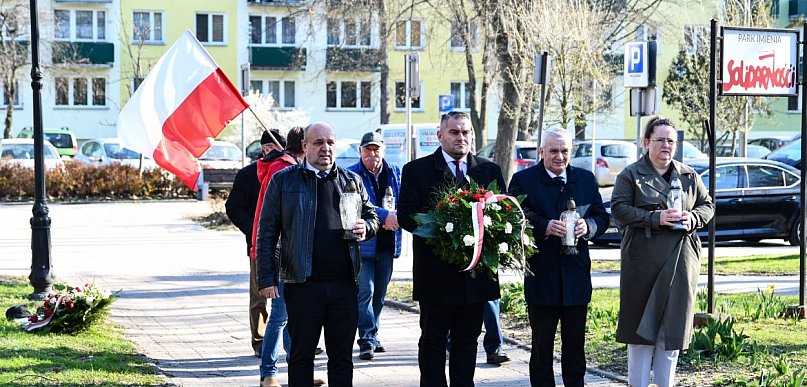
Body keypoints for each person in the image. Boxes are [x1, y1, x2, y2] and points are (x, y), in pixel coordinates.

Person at [256, 122, 379, 387]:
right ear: (305, 146)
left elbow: (371, 216)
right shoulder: (283, 180)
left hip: (344, 285)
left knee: (342, 358)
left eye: (330, 143)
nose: (325, 148)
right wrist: (266, 278)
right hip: (302, 284)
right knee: (301, 357)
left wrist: (366, 227)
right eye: (318, 142)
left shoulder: (351, 181)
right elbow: (266, 233)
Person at [398, 110, 506, 386]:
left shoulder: (488, 170)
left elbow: (503, 214)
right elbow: (406, 215)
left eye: (466, 132)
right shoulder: (417, 171)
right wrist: (445, 229)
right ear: (440, 135)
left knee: (467, 342)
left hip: (475, 277)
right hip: (436, 275)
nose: (461, 137)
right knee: (433, 342)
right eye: (454, 132)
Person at [611, 116, 714, 387]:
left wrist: (693, 218)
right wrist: (654, 218)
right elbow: (619, 209)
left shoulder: (689, 175)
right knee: (641, 332)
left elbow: (708, 205)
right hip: (643, 262)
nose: (665, 146)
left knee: (671, 330)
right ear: (647, 143)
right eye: (659, 140)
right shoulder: (630, 175)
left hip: (680, 260)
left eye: (671, 141)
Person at [508, 127, 609, 387]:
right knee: (542, 347)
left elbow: (601, 216)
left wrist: (589, 227)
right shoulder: (523, 180)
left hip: (576, 276)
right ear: (541, 152)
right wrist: (543, 226)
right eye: (553, 151)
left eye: (564, 151)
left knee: (575, 347)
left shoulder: (585, 179)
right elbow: (513, 216)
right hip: (542, 277)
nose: (559, 156)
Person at [248, 127, 299, 387]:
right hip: (282, 251)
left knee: (289, 315)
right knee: (279, 315)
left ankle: (296, 368)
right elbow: (272, 219)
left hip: (288, 251)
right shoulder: (284, 171)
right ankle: (268, 372)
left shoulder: (281, 167)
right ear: (303, 146)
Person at [225, 129, 281, 357]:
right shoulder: (249, 174)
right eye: (267, 149)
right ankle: (259, 341)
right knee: (259, 295)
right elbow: (233, 207)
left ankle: (294, 340)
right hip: (258, 245)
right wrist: (255, 229)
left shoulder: (288, 170)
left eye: (275, 149)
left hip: (286, 246)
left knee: (293, 296)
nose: (270, 152)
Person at [347, 131, 402, 361]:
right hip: (363, 246)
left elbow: (404, 201)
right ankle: (367, 339)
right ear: (360, 152)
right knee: (365, 292)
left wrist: (398, 216)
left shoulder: (395, 173)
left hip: (388, 245)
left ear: (383, 150)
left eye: (375, 149)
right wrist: (385, 215)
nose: (372, 154)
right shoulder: (351, 174)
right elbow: (355, 205)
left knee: (379, 295)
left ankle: (373, 333)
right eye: (367, 149)